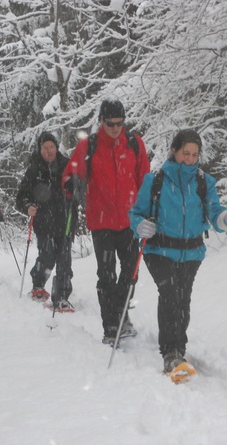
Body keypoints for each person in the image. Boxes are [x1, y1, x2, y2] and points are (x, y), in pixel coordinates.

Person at [128, 129, 227, 375]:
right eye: (185, 153)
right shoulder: (155, 180)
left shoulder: (204, 182)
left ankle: (179, 349)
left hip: (191, 253)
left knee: (182, 299)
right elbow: (135, 213)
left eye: (194, 154)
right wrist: (140, 226)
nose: (190, 159)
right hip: (159, 250)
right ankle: (170, 353)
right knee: (170, 294)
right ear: (174, 151)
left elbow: (215, 217)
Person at [62, 98, 150, 344]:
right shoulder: (89, 146)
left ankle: (121, 313)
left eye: (119, 123)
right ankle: (111, 326)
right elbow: (71, 173)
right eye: (110, 123)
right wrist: (70, 185)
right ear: (101, 121)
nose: (115, 128)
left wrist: (149, 206)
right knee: (106, 276)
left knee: (131, 272)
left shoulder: (134, 144)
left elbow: (144, 179)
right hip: (101, 224)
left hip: (130, 221)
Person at [16, 132, 77, 311]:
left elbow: (80, 188)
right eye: (45, 148)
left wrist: (74, 191)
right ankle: (38, 284)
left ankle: (62, 296)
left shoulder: (67, 165)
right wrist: (28, 206)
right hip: (44, 223)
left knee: (64, 259)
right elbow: (21, 197)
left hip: (65, 221)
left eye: (51, 147)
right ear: (40, 149)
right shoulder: (34, 170)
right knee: (48, 255)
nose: (49, 151)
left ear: (56, 147)